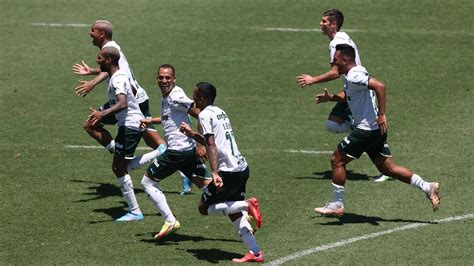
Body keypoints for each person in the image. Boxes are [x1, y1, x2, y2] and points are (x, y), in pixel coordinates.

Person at [313, 44, 440, 217]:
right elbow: (349, 94)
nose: (332, 63)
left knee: (337, 160)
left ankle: (336, 204)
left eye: (335, 60)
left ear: (345, 59)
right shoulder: (355, 74)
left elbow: (380, 86)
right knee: (388, 169)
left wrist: (382, 114)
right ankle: (427, 186)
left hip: (366, 130)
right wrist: (331, 98)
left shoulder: (354, 75)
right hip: (375, 131)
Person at [72, 20, 192, 191]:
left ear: (102, 34)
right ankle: (183, 172)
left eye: (92, 30)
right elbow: (110, 69)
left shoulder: (113, 49)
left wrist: (92, 83)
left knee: (92, 124)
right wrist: (92, 71)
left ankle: (121, 155)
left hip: (131, 101)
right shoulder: (109, 50)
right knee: (154, 142)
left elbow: (116, 73)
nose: (90, 33)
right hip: (134, 99)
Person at [296, 9, 389, 182]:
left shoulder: (335, 44)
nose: (320, 24)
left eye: (324, 21)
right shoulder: (342, 37)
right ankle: (362, 131)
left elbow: (336, 72)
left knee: (366, 131)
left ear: (334, 24)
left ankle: (385, 167)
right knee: (332, 124)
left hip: (357, 91)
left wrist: (313, 79)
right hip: (351, 90)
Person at [179, 82, 264, 263]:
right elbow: (213, 141)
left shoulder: (204, 115)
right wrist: (192, 134)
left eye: (195, 95)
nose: (193, 98)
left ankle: (246, 205)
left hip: (228, 172)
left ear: (202, 98)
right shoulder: (220, 112)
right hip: (241, 168)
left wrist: (214, 172)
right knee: (232, 211)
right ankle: (255, 252)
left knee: (204, 208)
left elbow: (210, 144)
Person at [139, 64, 212, 240]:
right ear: (157, 78)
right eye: (161, 77)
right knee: (209, 188)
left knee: (147, 183)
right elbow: (169, 118)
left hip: (177, 152)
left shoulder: (176, 96)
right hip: (187, 151)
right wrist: (149, 120)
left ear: (174, 79)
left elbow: (200, 114)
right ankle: (243, 207)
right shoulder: (169, 97)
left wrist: (201, 142)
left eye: (167, 78)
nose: (164, 81)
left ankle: (170, 220)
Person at [87, 46, 145, 221]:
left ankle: (135, 211)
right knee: (121, 165)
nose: (97, 61)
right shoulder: (120, 75)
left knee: (119, 167)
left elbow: (123, 103)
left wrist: (102, 114)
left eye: (100, 58)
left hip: (130, 126)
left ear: (109, 60)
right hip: (129, 125)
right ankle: (160, 153)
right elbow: (134, 92)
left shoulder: (118, 79)